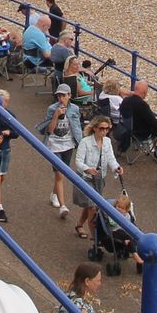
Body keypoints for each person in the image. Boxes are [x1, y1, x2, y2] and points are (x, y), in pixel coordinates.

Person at [71, 115, 123, 239]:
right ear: (94, 128)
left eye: (107, 129)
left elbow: (111, 158)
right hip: (85, 179)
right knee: (93, 207)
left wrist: (116, 167)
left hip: (99, 179)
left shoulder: (107, 142)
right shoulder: (85, 142)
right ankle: (96, 239)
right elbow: (78, 162)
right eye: (101, 128)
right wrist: (88, 169)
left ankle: (79, 225)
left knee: (91, 205)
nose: (104, 131)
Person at [38, 84, 83, 219]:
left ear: (69, 96)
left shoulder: (74, 109)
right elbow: (49, 130)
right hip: (54, 145)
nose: (61, 98)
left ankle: (54, 194)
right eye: (59, 95)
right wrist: (56, 116)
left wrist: (81, 144)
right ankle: (63, 206)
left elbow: (77, 128)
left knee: (62, 173)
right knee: (60, 174)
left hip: (68, 145)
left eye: (64, 95)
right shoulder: (52, 108)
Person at [0, 89, 15, 222]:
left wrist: (9, 133)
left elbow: (17, 132)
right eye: (4, 101)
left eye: (6, 102)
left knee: (2, 177)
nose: (5, 104)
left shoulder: (10, 115)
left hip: (5, 150)